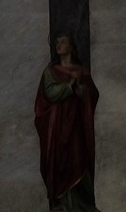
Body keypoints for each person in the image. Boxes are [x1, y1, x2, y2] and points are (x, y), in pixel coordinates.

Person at [34, 34, 101, 211]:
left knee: (78, 159)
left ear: (71, 46)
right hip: (57, 126)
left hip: (76, 126)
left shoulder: (82, 71)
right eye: (57, 42)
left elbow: (92, 93)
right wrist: (70, 86)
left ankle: (84, 205)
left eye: (63, 41)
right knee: (59, 162)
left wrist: (81, 89)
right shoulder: (50, 71)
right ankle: (62, 205)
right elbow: (49, 93)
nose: (59, 44)